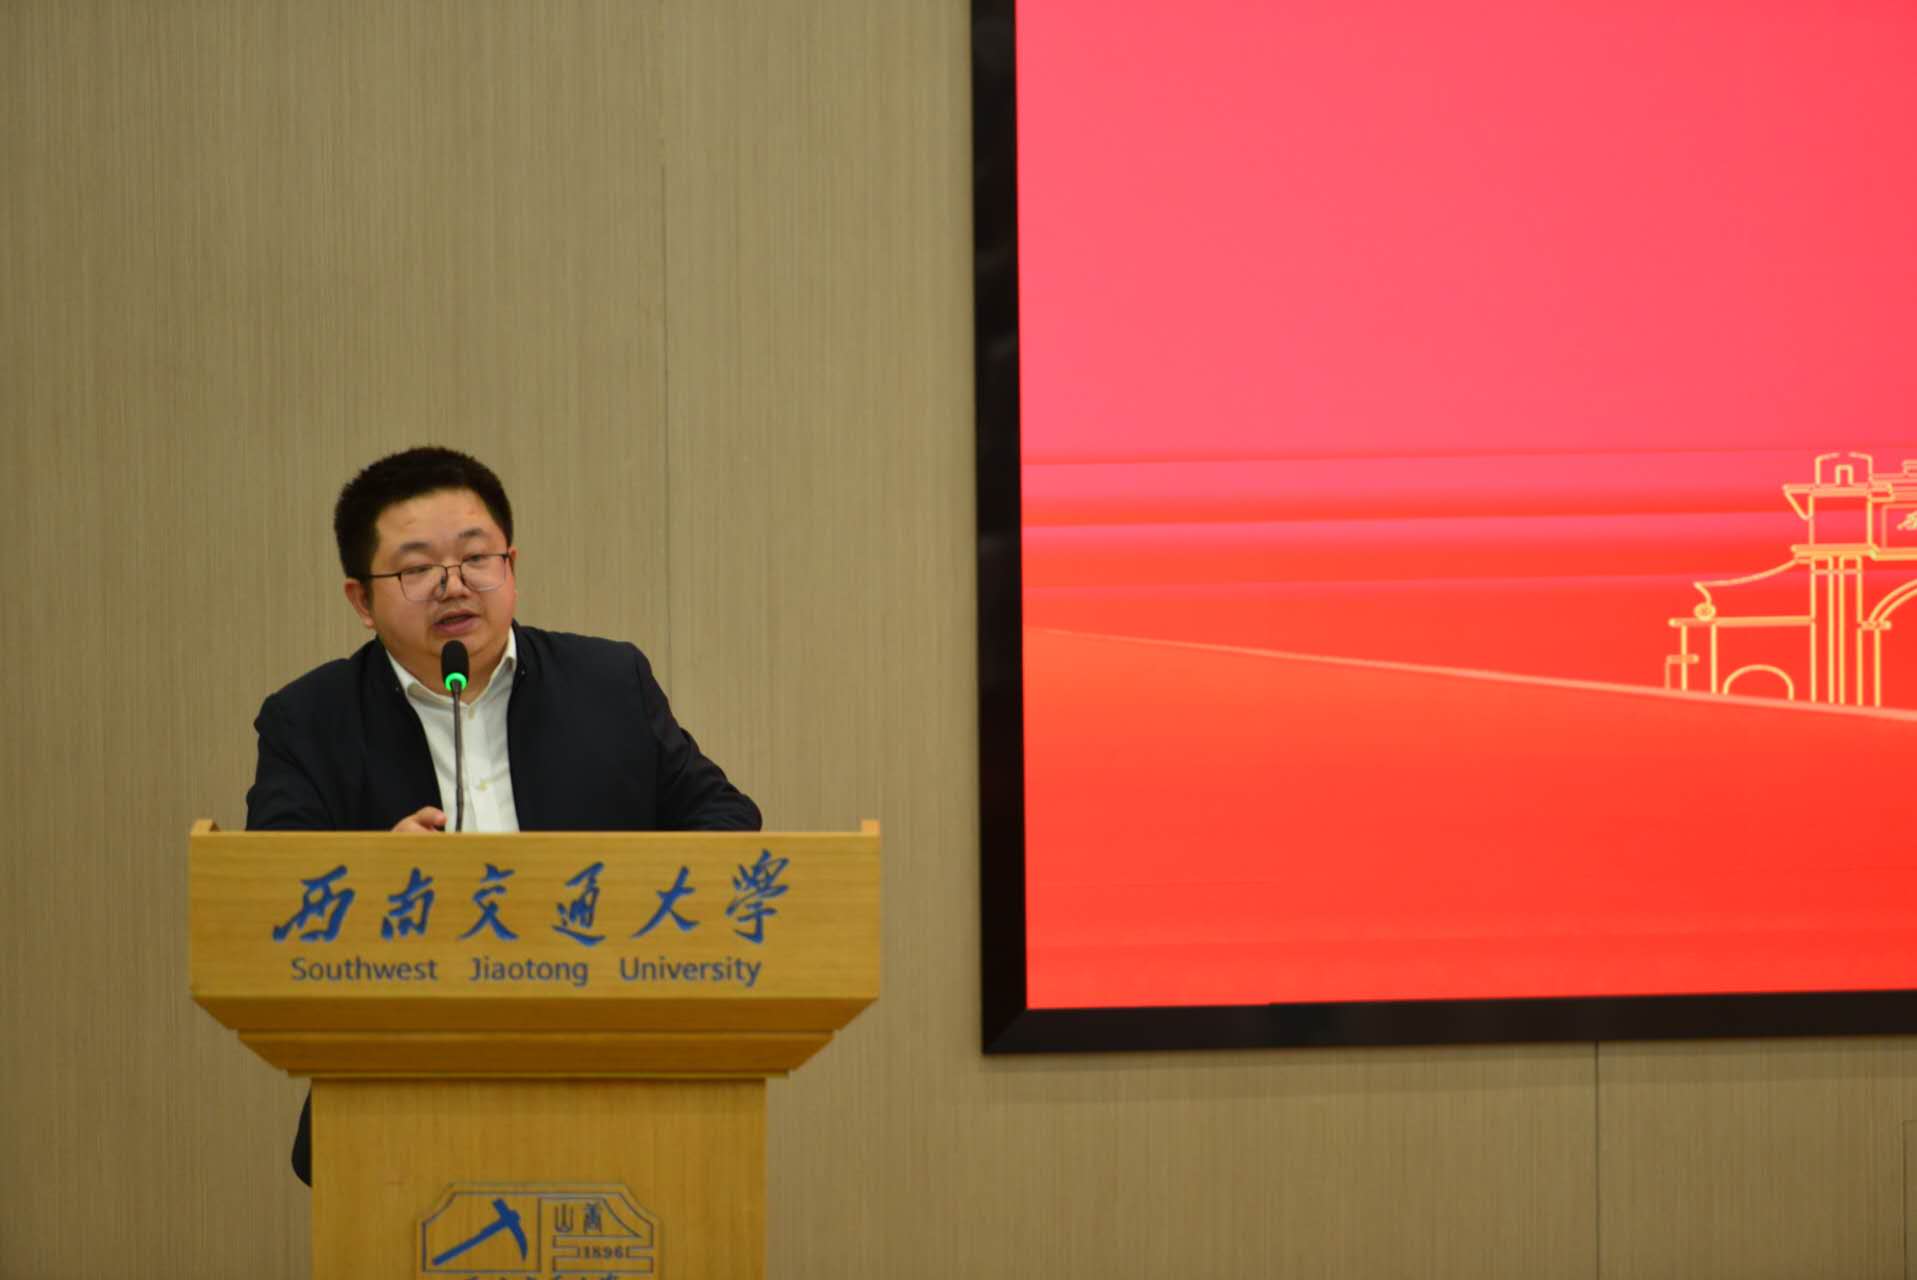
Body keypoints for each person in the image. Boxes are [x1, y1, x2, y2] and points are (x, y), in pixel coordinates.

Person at [246, 445, 761, 1185]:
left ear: (510, 565)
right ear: (361, 600)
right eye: (417, 568)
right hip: (395, 1104)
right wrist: (372, 874)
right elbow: (270, 889)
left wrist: (624, 894)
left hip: (615, 1083)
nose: (454, 585)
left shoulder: (609, 683)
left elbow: (725, 819)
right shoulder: (308, 720)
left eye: (476, 557)